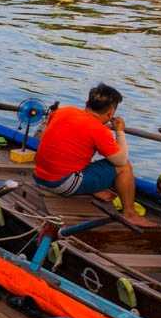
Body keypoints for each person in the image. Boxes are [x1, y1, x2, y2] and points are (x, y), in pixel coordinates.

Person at [30, 82, 146, 219]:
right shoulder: (99, 130)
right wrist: (120, 131)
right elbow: (121, 160)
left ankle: (92, 187)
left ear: (87, 103)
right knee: (125, 167)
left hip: (38, 176)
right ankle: (130, 213)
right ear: (110, 113)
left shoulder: (63, 111)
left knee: (81, 151)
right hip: (60, 184)